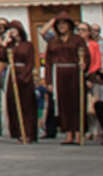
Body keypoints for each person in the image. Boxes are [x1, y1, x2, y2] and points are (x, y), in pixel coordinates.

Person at [39, 12, 84, 145]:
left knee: (75, 103)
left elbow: (84, 55)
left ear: (69, 25)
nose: (62, 26)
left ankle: (78, 134)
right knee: (63, 105)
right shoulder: (53, 40)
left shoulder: (77, 39)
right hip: (58, 72)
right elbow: (48, 61)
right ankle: (68, 134)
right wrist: (49, 81)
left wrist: (84, 64)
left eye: (64, 23)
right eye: (59, 24)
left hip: (73, 71)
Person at [0, 21, 37, 144]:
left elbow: (30, 62)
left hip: (24, 75)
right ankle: (18, 132)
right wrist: (4, 42)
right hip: (12, 74)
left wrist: (24, 76)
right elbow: (1, 57)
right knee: (13, 103)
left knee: (27, 105)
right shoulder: (10, 45)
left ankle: (29, 133)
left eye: (13, 29)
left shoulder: (27, 45)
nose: (11, 31)